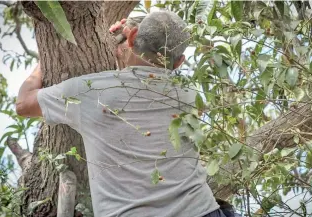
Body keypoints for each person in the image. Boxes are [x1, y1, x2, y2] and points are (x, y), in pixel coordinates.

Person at [16, 11, 228, 217]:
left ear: (133, 37)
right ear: (179, 61)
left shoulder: (91, 93)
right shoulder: (191, 97)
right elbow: (140, 88)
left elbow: (24, 104)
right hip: (203, 210)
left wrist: (49, 54)